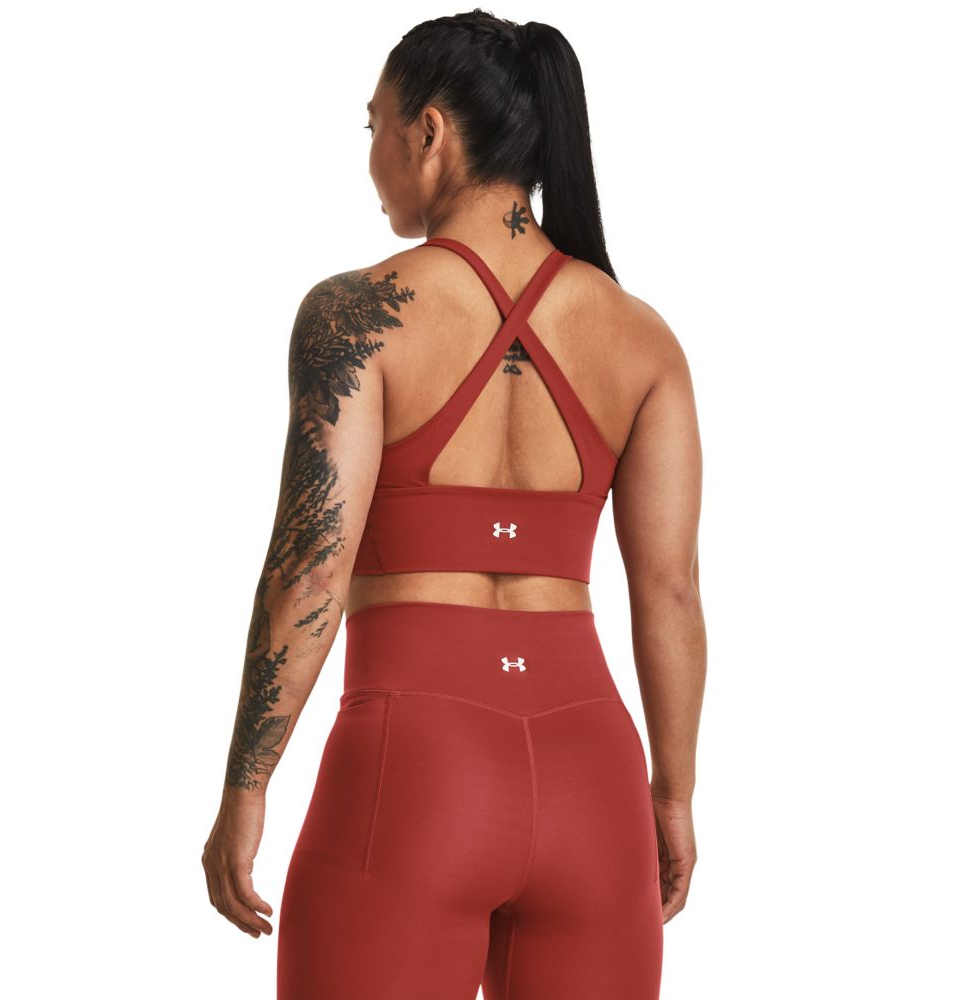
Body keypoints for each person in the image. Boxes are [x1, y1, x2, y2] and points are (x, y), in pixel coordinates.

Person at [202, 10, 706, 999]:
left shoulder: (356, 315)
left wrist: (246, 785)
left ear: (427, 132)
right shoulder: (641, 337)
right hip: (595, 781)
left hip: (415, 772)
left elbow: (312, 565)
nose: (371, 156)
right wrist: (674, 794)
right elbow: (672, 591)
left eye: (374, 125)